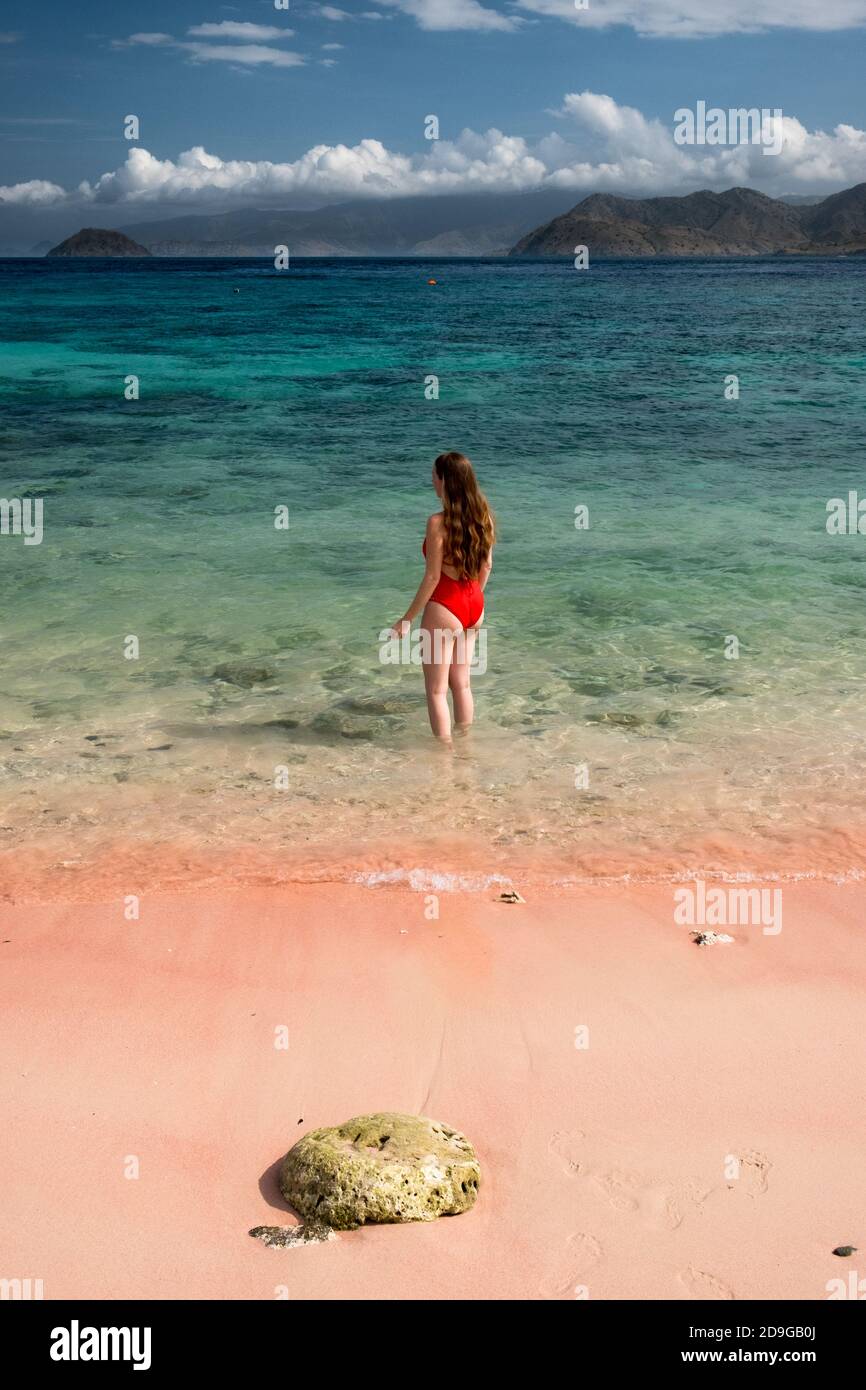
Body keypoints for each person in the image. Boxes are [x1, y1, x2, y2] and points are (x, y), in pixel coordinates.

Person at [390, 451, 495, 740]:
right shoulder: (484, 514)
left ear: (446, 481)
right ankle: (466, 744)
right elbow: (487, 565)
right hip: (475, 605)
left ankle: (445, 757)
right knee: (462, 684)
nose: (432, 481)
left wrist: (406, 619)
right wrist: (471, 599)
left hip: (446, 606)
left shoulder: (438, 522)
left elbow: (433, 576)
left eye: (435, 476)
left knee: (436, 690)